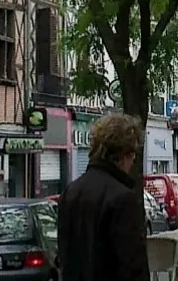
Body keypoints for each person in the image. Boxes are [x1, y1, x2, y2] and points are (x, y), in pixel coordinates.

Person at [58, 114, 148, 281]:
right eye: (133, 153)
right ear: (123, 154)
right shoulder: (123, 198)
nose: (134, 158)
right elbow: (132, 265)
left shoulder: (71, 191)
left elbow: (64, 254)